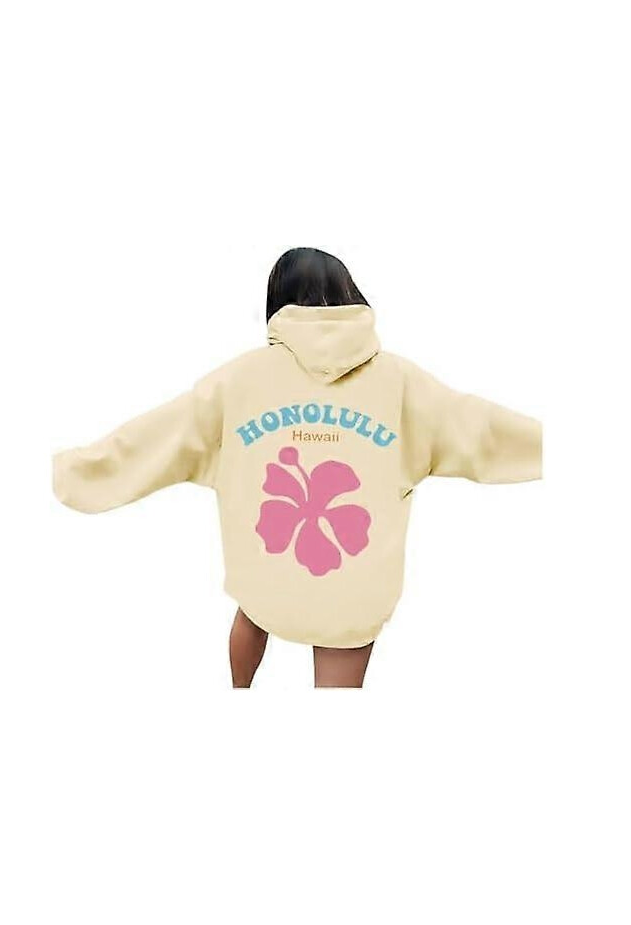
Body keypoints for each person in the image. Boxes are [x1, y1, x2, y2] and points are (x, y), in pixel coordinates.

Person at [52, 247, 542, 688]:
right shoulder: (402, 382)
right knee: (342, 638)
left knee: (254, 606)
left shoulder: (239, 379)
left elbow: (157, 438)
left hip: (266, 578)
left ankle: (239, 688)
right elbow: (481, 428)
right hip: (353, 592)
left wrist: (78, 471)